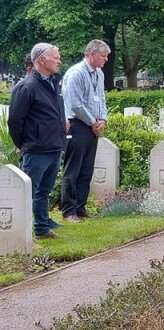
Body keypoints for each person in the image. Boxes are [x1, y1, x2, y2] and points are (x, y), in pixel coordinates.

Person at [8, 43, 67, 239]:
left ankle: (42, 224)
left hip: (54, 146)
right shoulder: (27, 87)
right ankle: (20, 232)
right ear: (41, 60)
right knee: (29, 191)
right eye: (55, 57)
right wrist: (23, 144)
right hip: (37, 148)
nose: (59, 61)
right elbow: (15, 121)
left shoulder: (53, 83)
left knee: (44, 190)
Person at [60, 39, 110, 222]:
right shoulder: (76, 73)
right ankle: (68, 211)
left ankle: (80, 207)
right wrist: (92, 122)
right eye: (103, 56)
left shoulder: (99, 74)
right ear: (91, 54)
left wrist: (103, 119)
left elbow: (102, 99)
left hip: (93, 126)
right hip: (77, 125)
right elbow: (75, 104)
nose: (106, 60)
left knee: (86, 169)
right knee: (73, 169)